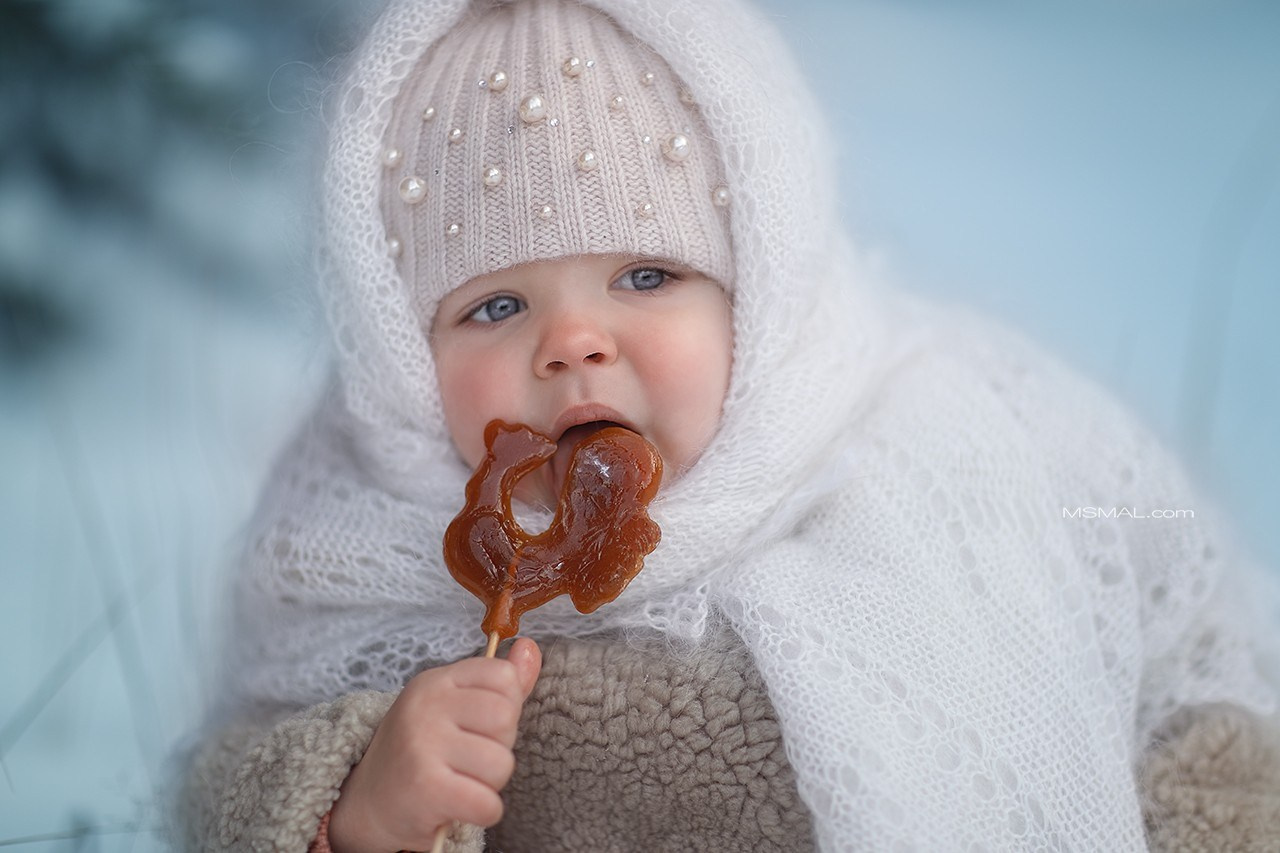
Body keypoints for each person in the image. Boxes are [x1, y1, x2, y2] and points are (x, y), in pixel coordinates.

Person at [175, 0, 1280, 850]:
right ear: (397, 358)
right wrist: (361, 801)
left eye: (647, 274)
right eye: (494, 307)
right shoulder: (344, 548)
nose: (573, 342)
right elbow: (224, 788)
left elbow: (1198, 673)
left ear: (763, 290)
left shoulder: (958, 437)